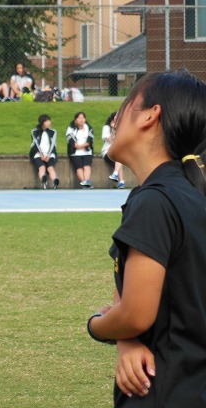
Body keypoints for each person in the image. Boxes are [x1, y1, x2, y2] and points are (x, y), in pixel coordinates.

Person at [85, 71, 206, 407]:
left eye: (125, 105)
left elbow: (136, 314)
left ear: (150, 115)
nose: (114, 120)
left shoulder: (154, 202)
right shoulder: (185, 195)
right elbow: (129, 293)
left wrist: (96, 325)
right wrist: (126, 340)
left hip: (162, 390)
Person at [29, 114, 59, 189]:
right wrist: (41, 154)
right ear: (42, 122)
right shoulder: (34, 131)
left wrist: (48, 155)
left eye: (49, 121)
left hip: (50, 154)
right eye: (47, 121)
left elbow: (53, 144)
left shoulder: (53, 132)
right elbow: (35, 144)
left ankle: (55, 181)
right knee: (41, 167)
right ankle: (44, 181)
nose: (49, 123)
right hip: (38, 154)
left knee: (50, 168)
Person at [66, 111, 94, 188]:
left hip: (86, 151)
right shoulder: (71, 128)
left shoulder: (89, 128)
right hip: (75, 152)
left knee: (87, 166)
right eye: (79, 118)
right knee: (79, 167)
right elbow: (70, 140)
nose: (81, 120)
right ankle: (84, 182)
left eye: (83, 118)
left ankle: (87, 181)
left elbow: (90, 140)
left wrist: (83, 145)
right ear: (75, 120)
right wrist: (78, 146)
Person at [101, 112, 125, 189]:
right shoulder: (106, 128)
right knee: (119, 158)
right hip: (107, 152)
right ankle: (120, 180)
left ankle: (118, 177)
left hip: (117, 152)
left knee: (119, 158)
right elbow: (110, 141)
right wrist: (113, 129)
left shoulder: (121, 128)